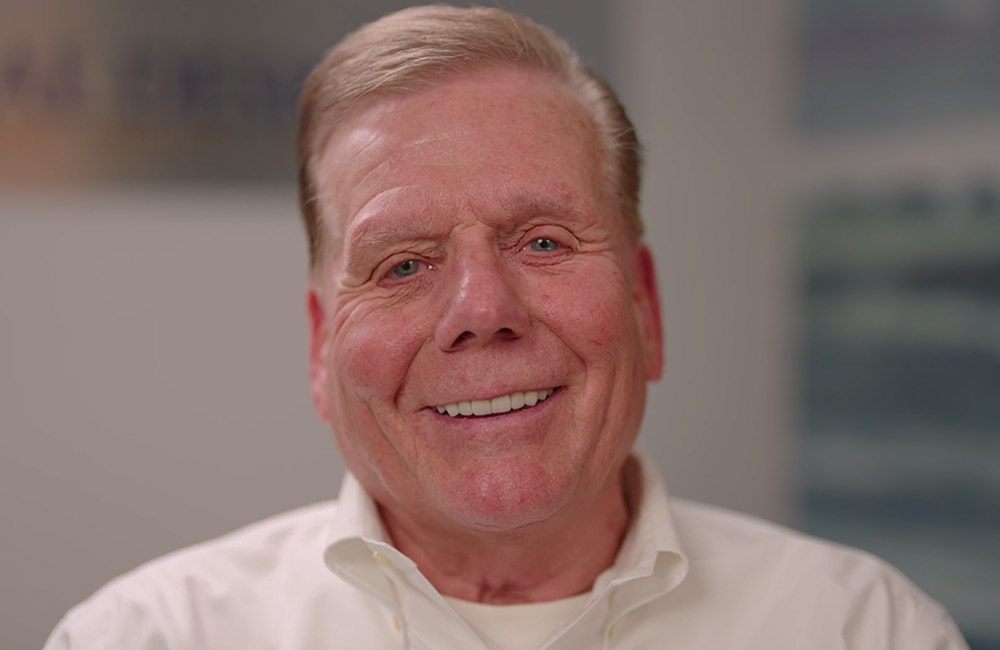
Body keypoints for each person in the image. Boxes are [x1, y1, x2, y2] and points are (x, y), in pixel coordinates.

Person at [45, 5, 969, 649]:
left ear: (645, 307)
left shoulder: (862, 631)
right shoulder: (148, 637)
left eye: (543, 241)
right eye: (403, 264)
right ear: (321, 349)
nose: (482, 312)